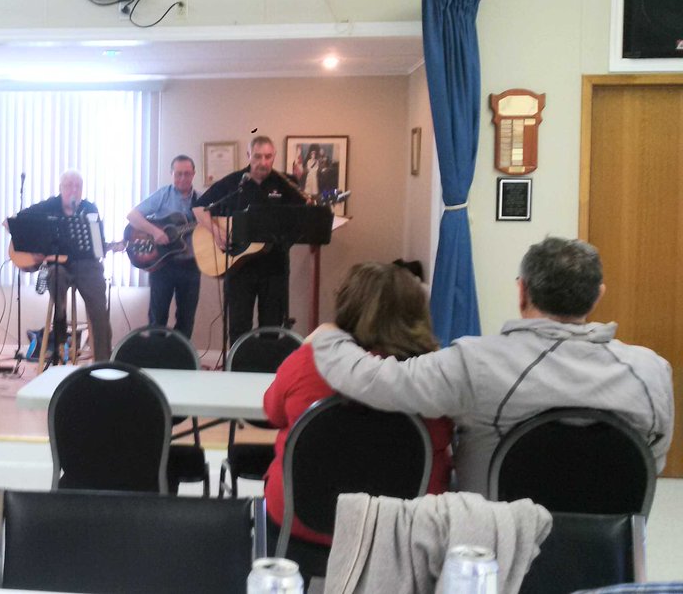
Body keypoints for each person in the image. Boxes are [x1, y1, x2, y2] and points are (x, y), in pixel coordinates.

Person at [310, 237, 675, 494]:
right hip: (608, 549)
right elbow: (648, 465)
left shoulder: (476, 363)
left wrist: (329, 336)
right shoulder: (652, 372)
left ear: (522, 291)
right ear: (598, 296)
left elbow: (375, 380)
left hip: (493, 544)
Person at [262, 262, 453, 547]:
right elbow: (445, 438)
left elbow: (273, 413)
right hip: (401, 534)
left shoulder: (306, 362)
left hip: (299, 525)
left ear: (346, 305)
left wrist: (313, 344)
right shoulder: (434, 376)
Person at [193, 135, 307, 343]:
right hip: (239, 268)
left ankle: (266, 364)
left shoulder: (286, 183)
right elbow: (199, 207)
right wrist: (216, 232)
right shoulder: (234, 182)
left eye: (268, 157)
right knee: (238, 328)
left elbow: (303, 215)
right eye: (257, 157)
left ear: (274, 156)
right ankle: (238, 363)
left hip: (274, 268)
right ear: (248, 155)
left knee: (271, 328)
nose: (263, 162)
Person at [14, 170, 113, 361]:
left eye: (78, 186)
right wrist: (34, 248)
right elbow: (17, 221)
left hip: (86, 265)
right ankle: (60, 324)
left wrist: (103, 246)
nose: (73, 190)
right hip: (58, 266)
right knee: (55, 273)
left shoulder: (90, 209)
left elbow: (98, 246)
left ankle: (103, 363)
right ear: (61, 188)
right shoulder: (49, 205)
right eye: (69, 186)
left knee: (99, 310)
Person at [126, 155, 201, 338]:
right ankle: (156, 353)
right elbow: (132, 216)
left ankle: (181, 355)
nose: (182, 178)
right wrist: (155, 232)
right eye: (178, 174)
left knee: (186, 319)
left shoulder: (201, 200)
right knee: (157, 318)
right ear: (171, 174)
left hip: (191, 266)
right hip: (162, 265)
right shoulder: (163, 195)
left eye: (187, 174)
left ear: (194, 174)